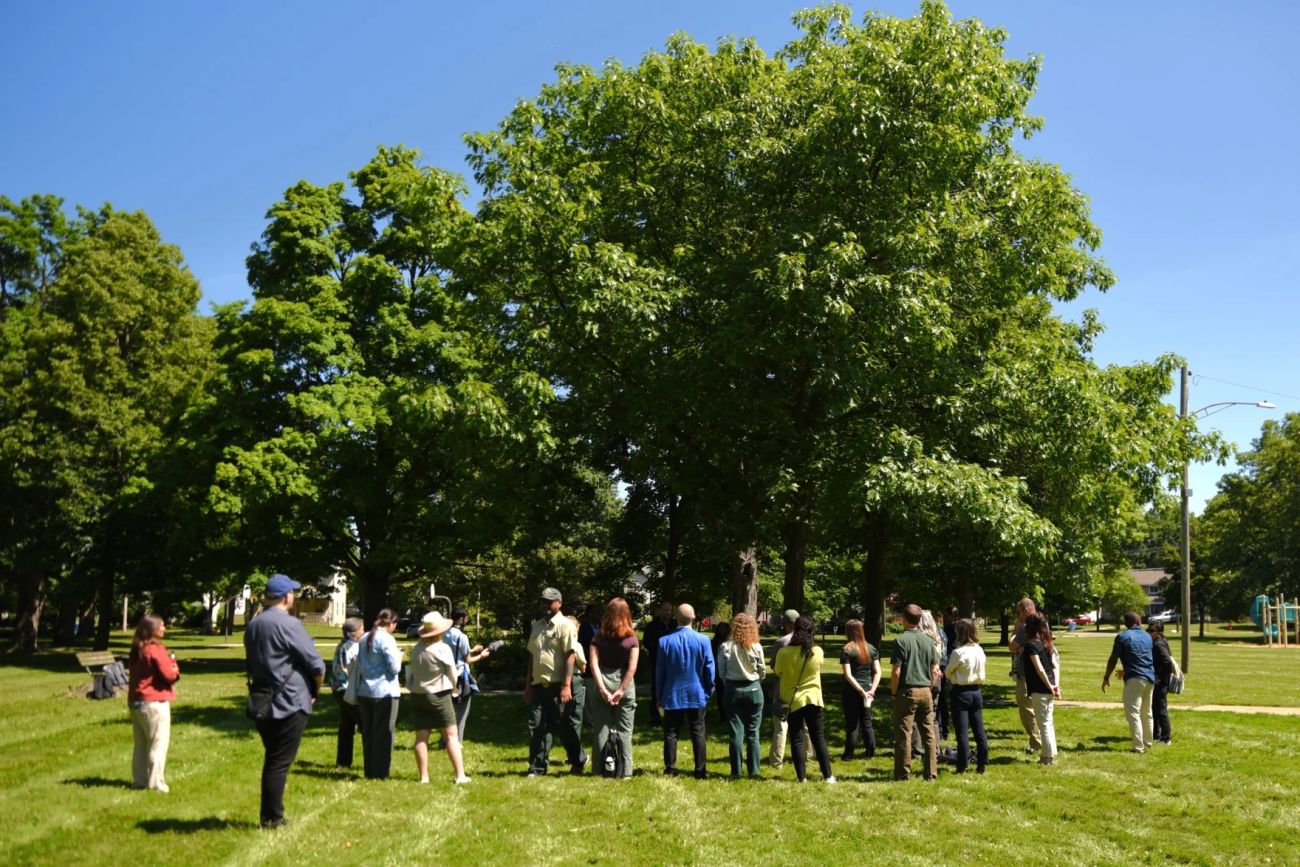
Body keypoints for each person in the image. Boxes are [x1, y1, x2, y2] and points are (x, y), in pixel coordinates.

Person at [244, 574, 325, 829]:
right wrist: (316, 689)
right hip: (290, 701)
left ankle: (271, 814)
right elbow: (316, 665)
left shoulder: (254, 625)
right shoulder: (288, 624)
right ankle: (272, 818)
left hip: (262, 700)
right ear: (287, 596)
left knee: (274, 758)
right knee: (278, 763)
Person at [526, 587, 587, 776]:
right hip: (538, 685)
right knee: (537, 726)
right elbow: (532, 656)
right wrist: (527, 684)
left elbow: (570, 656)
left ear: (559, 603)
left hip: (558, 685)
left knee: (564, 727)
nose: (545, 604)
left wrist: (566, 685)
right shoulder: (537, 626)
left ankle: (579, 759)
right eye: (543, 601)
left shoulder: (565, 625)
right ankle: (537, 767)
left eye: (549, 601)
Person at [408, 611, 470, 784]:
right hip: (439, 694)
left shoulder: (417, 648)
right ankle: (460, 775)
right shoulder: (442, 648)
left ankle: (424, 777)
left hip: (418, 694)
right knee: (451, 735)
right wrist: (455, 688)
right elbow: (452, 673)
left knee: (421, 737)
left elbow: (411, 672)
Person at [656, 603, 715, 778]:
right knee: (698, 731)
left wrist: (659, 695)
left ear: (676, 619)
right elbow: (709, 669)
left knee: (671, 732)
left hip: (672, 694)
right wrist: (708, 690)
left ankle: (670, 768)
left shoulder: (664, 641)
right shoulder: (703, 640)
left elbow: (660, 672)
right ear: (694, 618)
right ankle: (700, 770)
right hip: (697, 693)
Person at [775, 616, 835, 783]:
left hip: (792, 700)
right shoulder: (817, 651)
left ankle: (802, 777)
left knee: (796, 738)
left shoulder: (784, 652)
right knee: (818, 737)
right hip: (813, 698)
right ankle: (828, 776)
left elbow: (778, 671)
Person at [127, 614, 180, 793]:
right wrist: (174, 666)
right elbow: (169, 675)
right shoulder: (155, 650)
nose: (164, 628)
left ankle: (140, 780)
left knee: (141, 743)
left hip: (136, 700)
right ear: (153, 629)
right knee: (158, 743)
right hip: (154, 702)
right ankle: (156, 783)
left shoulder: (137, 648)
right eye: (162, 626)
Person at [588, 596, 640, 778]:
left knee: (600, 730)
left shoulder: (598, 637)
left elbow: (593, 664)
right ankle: (626, 772)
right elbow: (632, 667)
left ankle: (598, 770)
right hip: (624, 684)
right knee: (625, 731)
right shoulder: (632, 638)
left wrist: (602, 689)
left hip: (602, 680)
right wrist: (621, 690)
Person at [891, 603, 940, 781]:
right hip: (926, 690)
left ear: (904, 619)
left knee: (904, 734)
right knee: (929, 735)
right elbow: (935, 669)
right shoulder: (929, 641)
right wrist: (931, 687)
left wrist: (894, 692)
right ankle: (931, 773)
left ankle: (903, 774)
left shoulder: (900, 641)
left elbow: (896, 671)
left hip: (907, 690)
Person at [716, 612, 765, 779]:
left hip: (732, 689)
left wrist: (729, 683)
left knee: (736, 732)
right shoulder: (756, 647)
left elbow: (721, 672)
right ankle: (754, 771)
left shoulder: (726, 646)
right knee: (753, 733)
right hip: (753, 689)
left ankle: (736, 772)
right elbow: (762, 671)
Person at [355, 608, 403, 779]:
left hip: (365, 691)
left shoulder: (364, 637)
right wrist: (399, 655)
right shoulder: (388, 639)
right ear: (391, 623)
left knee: (368, 733)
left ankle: (369, 770)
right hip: (385, 693)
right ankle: (381, 773)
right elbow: (395, 668)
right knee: (384, 733)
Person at [1103, 610, 1156, 753]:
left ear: (1126, 623)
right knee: (1147, 712)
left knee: (1133, 713)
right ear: (1138, 622)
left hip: (1134, 679)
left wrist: (1106, 677)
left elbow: (1113, 658)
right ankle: (1148, 742)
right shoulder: (1147, 636)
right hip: (1150, 678)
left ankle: (1138, 747)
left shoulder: (1122, 637)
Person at [945, 618, 988, 774]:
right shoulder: (979, 649)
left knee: (962, 732)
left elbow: (948, 671)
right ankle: (982, 762)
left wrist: (954, 674)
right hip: (976, 691)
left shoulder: (958, 652)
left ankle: (962, 765)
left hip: (961, 692)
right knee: (979, 729)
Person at [443, 606, 491, 743]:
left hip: (446, 675)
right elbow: (467, 660)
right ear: (460, 619)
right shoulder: (462, 636)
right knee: (462, 711)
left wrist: (472, 649)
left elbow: (457, 652)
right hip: (460, 677)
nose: (467, 620)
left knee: (448, 710)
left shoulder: (444, 633)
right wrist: (481, 655)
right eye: (466, 618)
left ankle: (444, 741)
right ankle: (457, 742)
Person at [1021, 612, 1060, 766]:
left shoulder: (1031, 645)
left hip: (1040, 689)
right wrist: (1055, 685)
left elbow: (1039, 669)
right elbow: (1055, 666)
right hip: (1049, 688)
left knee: (1043, 723)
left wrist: (1050, 686)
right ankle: (1052, 752)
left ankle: (1047, 757)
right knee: (1048, 721)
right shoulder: (1046, 642)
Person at [839, 618, 880, 761]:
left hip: (851, 692)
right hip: (868, 691)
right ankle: (870, 752)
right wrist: (871, 691)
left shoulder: (847, 649)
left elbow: (848, 675)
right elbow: (877, 672)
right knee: (867, 722)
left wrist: (860, 691)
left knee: (852, 724)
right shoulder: (871, 648)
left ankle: (848, 755)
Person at [1007, 597, 1042, 755]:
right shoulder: (1043, 622)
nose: (1017, 615)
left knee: (1027, 709)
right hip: (1041, 671)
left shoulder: (1026, 625)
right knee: (1040, 709)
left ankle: (1036, 742)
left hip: (1026, 673)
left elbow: (1011, 645)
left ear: (1026, 610)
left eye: (1018, 612)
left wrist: (1016, 629)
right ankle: (1044, 741)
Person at [766, 609, 799, 769]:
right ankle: (807, 756)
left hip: (783, 686)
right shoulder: (808, 641)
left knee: (781, 725)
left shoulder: (781, 643)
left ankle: (777, 761)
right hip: (801, 686)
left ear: (785, 624)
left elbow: (773, 665)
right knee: (804, 725)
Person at [330, 618, 364, 769]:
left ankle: (342, 762)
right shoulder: (353, 647)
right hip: (347, 689)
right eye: (362, 630)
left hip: (338, 689)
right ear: (355, 633)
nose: (364, 632)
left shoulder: (341, 645)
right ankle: (372, 762)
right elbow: (348, 668)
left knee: (346, 725)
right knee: (365, 724)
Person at [911, 609, 945, 757]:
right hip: (936, 679)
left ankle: (917, 750)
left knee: (916, 716)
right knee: (932, 715)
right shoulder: (938, 637)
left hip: (923, 678)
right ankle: (935, 749)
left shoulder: (920, 639)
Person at [642, 601, 674, 726]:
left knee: (672, 690)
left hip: (673, 664)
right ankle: (655, 718)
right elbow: (647, 642)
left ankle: (672, 717)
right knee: (657, 691)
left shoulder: (675, 625)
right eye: (666, 610)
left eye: (670, 610)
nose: (668, 613)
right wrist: (661, 648)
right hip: (657, 663)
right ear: (660, 611)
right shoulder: (652, 626)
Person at [1148, 621, 1174, 745]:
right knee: (1155, 708)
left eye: (1152, 631)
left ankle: (1166, 737)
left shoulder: (1159, 644)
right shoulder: (1161, 641)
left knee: (1161, 709)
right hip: (1159, 681)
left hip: (1161, 682)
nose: (1149, 633)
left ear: (1159, 632)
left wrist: (1160, 677)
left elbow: (1167, 662)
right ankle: (1156, 734)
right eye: (1148, 630)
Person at [710, 620, 731, 723]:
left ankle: (729, 716)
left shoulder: (730, 644)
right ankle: (723, 717)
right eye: (720, 629)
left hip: (728, 673)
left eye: (724, 629)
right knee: (720, 695)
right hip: (717, 673)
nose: (721, 631)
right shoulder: (713, 643)